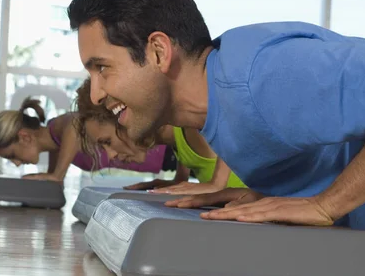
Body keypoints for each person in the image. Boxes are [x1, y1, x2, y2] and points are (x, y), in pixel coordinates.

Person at [66, 0, 365, 256]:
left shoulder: (261, 72)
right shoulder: (219, 108)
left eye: (102, 68)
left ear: (159, 52)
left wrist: (326, 203)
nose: (96, 94)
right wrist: (290, 193)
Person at [74, 78, 247, 195]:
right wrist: (178, 181)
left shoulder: (189, 122)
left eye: (107, 142)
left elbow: (232, 110)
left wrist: (217, 183)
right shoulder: (174, 135)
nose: (110, 155)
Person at [0, 96, 177, 183]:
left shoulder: (58, 127)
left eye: (12, 155)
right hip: (167, 161)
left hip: (167, 146)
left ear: (24, 137)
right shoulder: (55, 147)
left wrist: (57, 175)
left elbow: (75, 123)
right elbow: (54, 189)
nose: (17, 164)